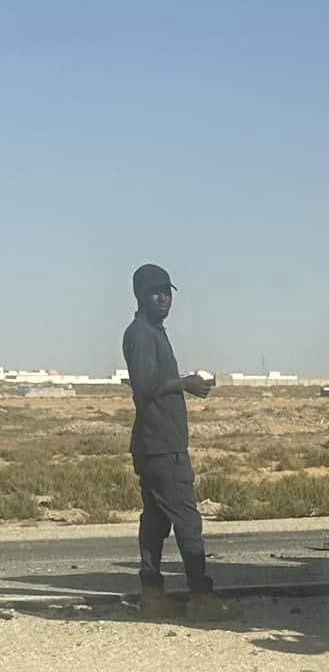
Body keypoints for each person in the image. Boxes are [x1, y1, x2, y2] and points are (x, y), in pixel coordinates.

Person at [123, 263, 235, 622]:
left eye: (167, 291)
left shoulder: (154, 331)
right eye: (156, 291)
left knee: (157, 520)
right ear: (139, 295)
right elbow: (144, 385)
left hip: (158, 444)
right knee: (187, 520)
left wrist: (185, 384)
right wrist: (184, 382)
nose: (163, 297)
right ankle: (201, 597)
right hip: (160, 447)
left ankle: (153, 594)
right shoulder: (141, 333)